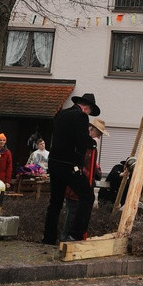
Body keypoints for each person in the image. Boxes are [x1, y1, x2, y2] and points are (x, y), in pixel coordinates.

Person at [42, 91, 100, 244]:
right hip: (69, 165)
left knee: (55, 202)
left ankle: (48, 237)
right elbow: (81, 139)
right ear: (87, 108)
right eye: (90, 111)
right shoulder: (81, 116)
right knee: (87, 196)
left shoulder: (61, 114)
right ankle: (76, 234)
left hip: (54, 162)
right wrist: (92, 143)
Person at [61, 118, 105, 241]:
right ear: (92, 130)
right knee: (72, 213)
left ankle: (70, 236)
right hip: (78, 184)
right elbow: (84, 164)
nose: (99, 137)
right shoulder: (86, 146)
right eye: (99, 133)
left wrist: (96, 170)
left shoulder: (91, 146)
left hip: (80, 184)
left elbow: (91, 165)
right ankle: (66, 238)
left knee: (75, 212)